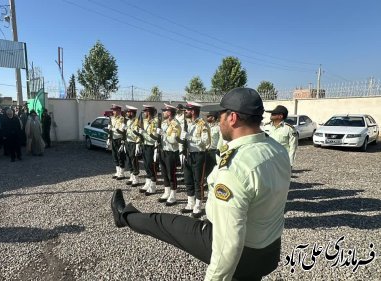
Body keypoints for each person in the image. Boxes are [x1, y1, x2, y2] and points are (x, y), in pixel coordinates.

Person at [110, 87, 291, 280]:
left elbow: (228, 244)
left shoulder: (236, 167)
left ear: (233, 118)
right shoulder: (277, 149)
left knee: (163, 223)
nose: (218, 119)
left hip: (242, 251)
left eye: (221, 114)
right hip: (269, 250)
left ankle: (123, 216)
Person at [181, 102, 210, 218]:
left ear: (193, 111)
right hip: (188, 155)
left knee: (198, 181)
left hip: (199, 155)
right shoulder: (188, 123)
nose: (186, 112)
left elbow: (206, 142)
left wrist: (190, 137)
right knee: (188, 179)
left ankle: (198, 206)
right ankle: (190, 203)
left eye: (187, 110)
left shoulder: (203, 124)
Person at [157, 104, 181, 205]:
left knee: (172, 174)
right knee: (164, 173)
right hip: (163, 151)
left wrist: (163, 134)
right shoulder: (163, 123)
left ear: (170, 112)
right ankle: (166, 192)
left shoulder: (176, 124)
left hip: (171, 152)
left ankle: (173, 195)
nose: (163, 113)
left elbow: (173, 140)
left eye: (165, 111)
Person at [134, 105, 159, 195]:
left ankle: (153, 185)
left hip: (152, 146)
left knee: (151, 165)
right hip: (145, 145)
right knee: (146, 165)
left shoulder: (155, 122)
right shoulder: (144, 121)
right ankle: (148, 182)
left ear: (149, 112)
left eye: (145, 111)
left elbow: (154, 137)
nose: (144, 113)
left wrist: (144, 133)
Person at [107, 104, 126, 180]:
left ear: (119, 111)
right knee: (114, 155)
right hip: (114, 139)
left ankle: (122, 173)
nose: (113, 112)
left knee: (120, 155)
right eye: (113, 110)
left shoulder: (122, 119)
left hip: (120, 139)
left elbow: (122, 131)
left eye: (115, 110)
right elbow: (109, 129)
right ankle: (117, 172)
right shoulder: (111, 118)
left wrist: (113, 129)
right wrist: (109, 138)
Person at [124, 105, 141, 187]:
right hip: (128, 142)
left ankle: (136, 178)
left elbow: (139, 134)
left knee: (134, 160)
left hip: (134, 143)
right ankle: (131, 176)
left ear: (132, 113)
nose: (127, 113)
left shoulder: (138, 121)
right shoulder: (128, 121)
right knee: (129, 159)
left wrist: (138, 144)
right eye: (127, 112)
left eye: (128, 112)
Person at [205, 111, 221, 181]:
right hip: (206, 150)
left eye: (209, 116)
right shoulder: (205, 126)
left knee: (216, 169)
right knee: (207, 169)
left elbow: (221, 139)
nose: (207, 117)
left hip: (215, 151)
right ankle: (208, 183)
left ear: (213, 118)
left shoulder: (218, 127)